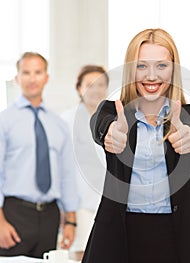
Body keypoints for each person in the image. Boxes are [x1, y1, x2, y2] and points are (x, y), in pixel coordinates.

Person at [82, 28, 190, 263]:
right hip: (121, 234)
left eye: (161, 66)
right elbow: (101, 124)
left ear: (173, 69)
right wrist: (110, 134)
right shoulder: (112, 112)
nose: (151, 76)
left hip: (180, 235)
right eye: (141, 66)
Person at [0, 52, 79, 258]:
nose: (32, 78)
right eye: (26, 72)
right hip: (14, 215)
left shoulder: (58, 125)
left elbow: (67, 174)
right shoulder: (4, 122)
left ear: (46, 77)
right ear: (17, 78)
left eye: (38, 72)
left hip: (49, 216)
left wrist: (70, 220)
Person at [61, 65, 109, 253]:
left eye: (100, 84)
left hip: (109, 201)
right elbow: (63, 168)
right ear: (79, 89)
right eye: (90, 85)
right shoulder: (67, 120)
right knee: (83, 253)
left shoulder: (116, 118)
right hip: (80, 204)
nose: (96, 90)